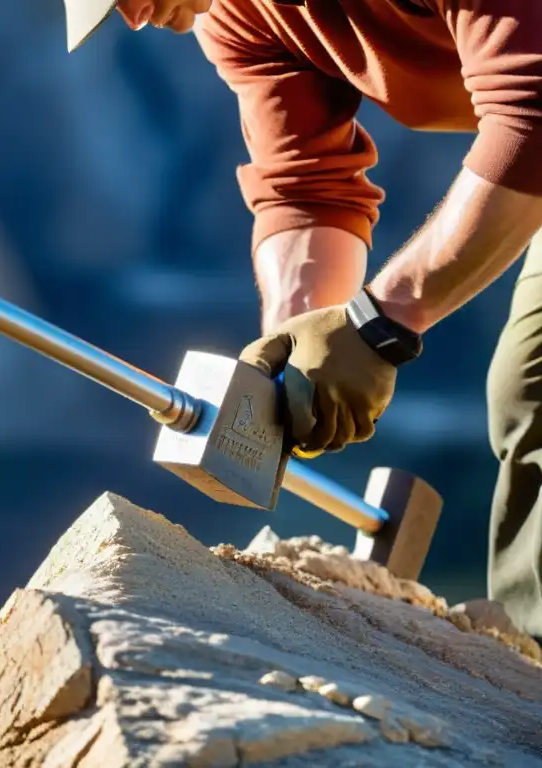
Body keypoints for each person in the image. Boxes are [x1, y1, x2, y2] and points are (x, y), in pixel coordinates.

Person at [61, 0, 542, 640]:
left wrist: (376, 324)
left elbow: (532, 114)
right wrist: (293, 353)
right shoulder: (239, 18)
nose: (132, 17)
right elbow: (306, 186)